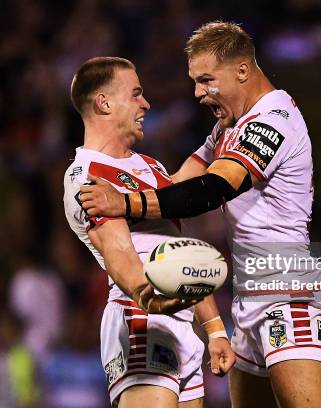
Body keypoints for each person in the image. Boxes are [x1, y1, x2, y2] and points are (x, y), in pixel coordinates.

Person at [79, 23, 321, 408]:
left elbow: (212, 189)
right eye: (194, 81)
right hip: (250, 296)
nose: (198, 93)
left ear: (242, 71)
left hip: (288, 292)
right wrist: (116, 188)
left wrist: (124, 204)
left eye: (206, 80)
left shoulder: (272, 119)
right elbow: (180, 183)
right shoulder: (229, 126)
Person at [62, 56, 235, 408]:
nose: (147, 104)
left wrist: (215, 328)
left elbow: (180, 251)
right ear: (104, 103)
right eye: (136, 94)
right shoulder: (86, 175)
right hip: (141, 317)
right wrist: (148, 296)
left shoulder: (150, 167)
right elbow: (118, 251)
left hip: (181, 323)